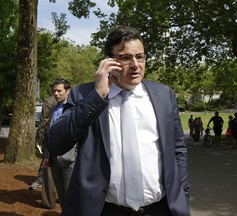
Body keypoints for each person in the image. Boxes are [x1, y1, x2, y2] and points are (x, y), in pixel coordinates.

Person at [47, 26, 190, 216]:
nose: (135, 64)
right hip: (105, 210)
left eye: (140, 57)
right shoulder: (84, 95)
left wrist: (183, 195)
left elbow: (178, 148)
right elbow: (55, 142)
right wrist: (98, 95)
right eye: (125, 57)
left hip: (160, 209)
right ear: (110, 62)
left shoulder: (164, 94)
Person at [43, 79, 77, 207]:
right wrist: (47, 156)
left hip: (70, 159)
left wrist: (75, 156)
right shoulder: (53, 109)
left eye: (59, 91)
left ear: (68, 91)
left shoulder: (75, 109)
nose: (56, 94)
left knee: (71, 196)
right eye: (54, 91)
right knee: (62, 196)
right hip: (53, 159)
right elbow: (49, 134)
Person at [29, 95, 57, 209]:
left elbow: (43, 123)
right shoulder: (75, 98)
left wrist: (38, 141)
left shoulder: (49, 101)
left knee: (48, 167)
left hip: (51, 138)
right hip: (68, 140)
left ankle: (49, 202)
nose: (56, 93)